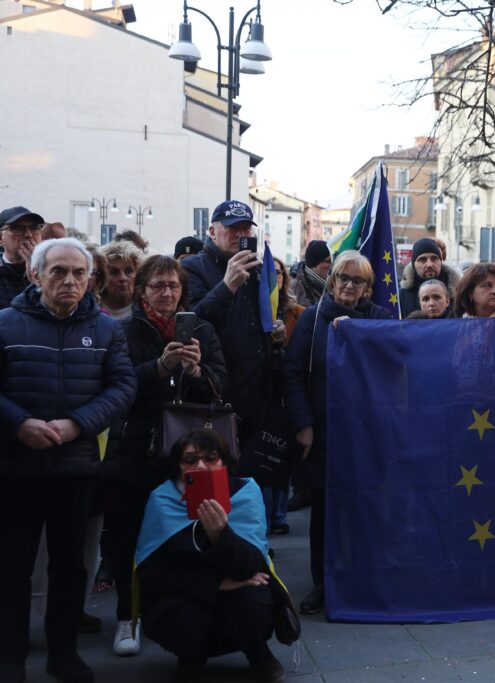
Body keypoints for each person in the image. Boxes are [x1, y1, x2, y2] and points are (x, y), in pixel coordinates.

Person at [0, 237, 137, 683]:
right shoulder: (5, 323)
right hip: (16, 467)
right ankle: (10, 657)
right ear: (35, 275)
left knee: (69, 566)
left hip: (75, 467)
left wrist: (77, 425)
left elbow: (122, 388)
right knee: (12, 568)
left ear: (89, 280)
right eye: (58, 271)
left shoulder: (106, 330)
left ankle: (63, 654)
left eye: (79, 273)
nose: (69, 281)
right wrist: (19, 423)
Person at [103, 254, 228, 657]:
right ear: (142, 290)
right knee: (127, 535)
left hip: (189, 452)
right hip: (136, 449)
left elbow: (222, 388)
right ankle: (127, 616)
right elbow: (119, 386)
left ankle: (179, 610)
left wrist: (196, 372)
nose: (167, 293)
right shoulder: (122, 330)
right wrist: (160, 366)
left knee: (188, 532)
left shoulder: (201, 329)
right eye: (158, 285)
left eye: (173, 285)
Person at [283, 250, 390, 616]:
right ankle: (323, 583)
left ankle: (363, 579)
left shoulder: (381, 320)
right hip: (325, 433)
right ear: (332, 281)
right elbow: (293, 374)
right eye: (342, 277)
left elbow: (398, 368)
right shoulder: (313, 320)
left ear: (367, 286)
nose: (348, 285)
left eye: (357, 280)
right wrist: (304, 425)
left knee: (366, 509)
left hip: (369, 435)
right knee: (325, 512)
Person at [134, 429, 285, 683]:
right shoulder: (162, 500)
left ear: (224, 462)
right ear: (179, 466)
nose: (200, 466)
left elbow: (253, 564)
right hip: (187, 595)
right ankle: (190, 658)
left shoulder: (245, 494)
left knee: (255, 601)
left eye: (210, 458)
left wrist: (220, 534)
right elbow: (152, 575)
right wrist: (216, 584)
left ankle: (258, 653)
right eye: (190, 460)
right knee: (177, 616)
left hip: (238, 591)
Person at [183, 200, 274, 441]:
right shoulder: (192, 267)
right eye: (233, 228)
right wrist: (227, 286)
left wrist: (274, 329)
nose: (241, 235)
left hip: (256, 391)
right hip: (216, 389)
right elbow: (192, 321)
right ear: (212, 231)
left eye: (246, 229)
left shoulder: (255, 269)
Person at [398, 238, 461, 316]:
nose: (429, 265)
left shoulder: (458, 292)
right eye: (422, 260)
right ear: (414, 264)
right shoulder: (401, 295)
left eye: (434, 259)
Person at [0, 206, 44, 310]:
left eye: (34, 228)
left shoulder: (54, 272)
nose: (28, 235)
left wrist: (39, 278)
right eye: (18, 228)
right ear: (1, 238)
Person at [98, 241, 143, 321]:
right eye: (114, 272)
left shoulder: (147, 312)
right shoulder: (89, 310)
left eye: (129, 271)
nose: (123, 278)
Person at [289, 240, 332, 307]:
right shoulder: (294, 287)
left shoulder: (334, 287)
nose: (332, 265)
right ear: (314, 266)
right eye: (328, 261)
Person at [273, 256, 304, 345]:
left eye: (277, 273)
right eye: (267, 272)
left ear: (283, 278)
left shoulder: (299, 312)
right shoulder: (251, 311)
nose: (273, 277)